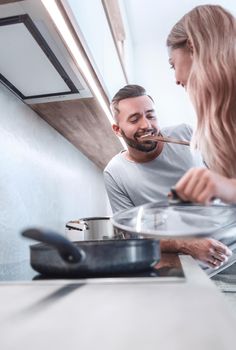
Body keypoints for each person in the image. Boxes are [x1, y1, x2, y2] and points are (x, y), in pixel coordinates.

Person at [104, 84, 232, 267]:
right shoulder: (114, 172)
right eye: (134, 119)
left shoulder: (186, 134)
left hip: (230, 249)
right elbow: (132, 236)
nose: (146, 125)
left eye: (150, 115)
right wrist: (186, 243)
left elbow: (228, 180)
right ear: (117, 130)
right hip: (184, 266)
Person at [166, 4, 236, 204]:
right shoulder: (217, 127)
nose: (176, 79)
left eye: (173, 64)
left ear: (193, 47)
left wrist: (228, 187)